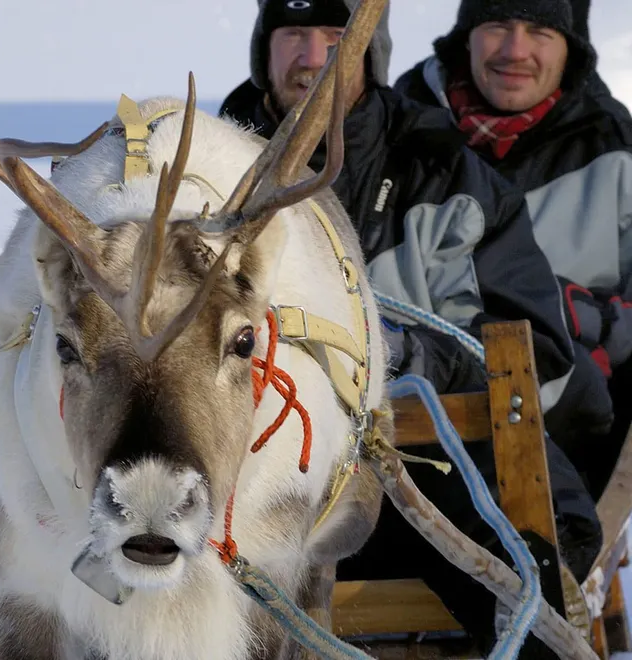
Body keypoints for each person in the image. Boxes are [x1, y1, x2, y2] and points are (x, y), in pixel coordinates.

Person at [219, 0, 604, 655]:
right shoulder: (213, 173)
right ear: (265, 48)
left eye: (335, 36)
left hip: (417, 480)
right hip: (244, 482)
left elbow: (534, 352)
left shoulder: (443, 169)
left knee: (530, 575)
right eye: (293, 34)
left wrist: (410, 356)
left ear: (369, 50)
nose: (313, 58)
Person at [394, 0, 632, 503]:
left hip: (576, 443)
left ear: (571, 50)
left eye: (540, 30)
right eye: (498, 25)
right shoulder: (404, 133)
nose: (515, 50)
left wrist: (595, 322)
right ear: (466, 37)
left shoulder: (612, 147)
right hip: (411, 438)